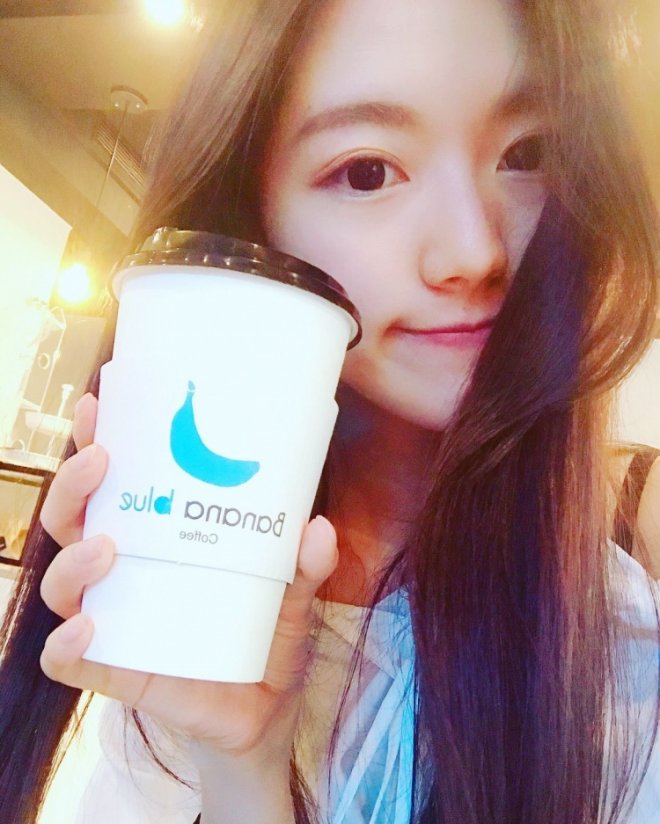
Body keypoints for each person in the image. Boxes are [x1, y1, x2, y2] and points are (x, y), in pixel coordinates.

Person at [1, 0, 659, 822]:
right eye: (367, 172)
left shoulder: (624, 620)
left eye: (529, 154)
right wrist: (242, 766)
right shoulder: (191, 594)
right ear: (256, 217)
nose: (473, 251)